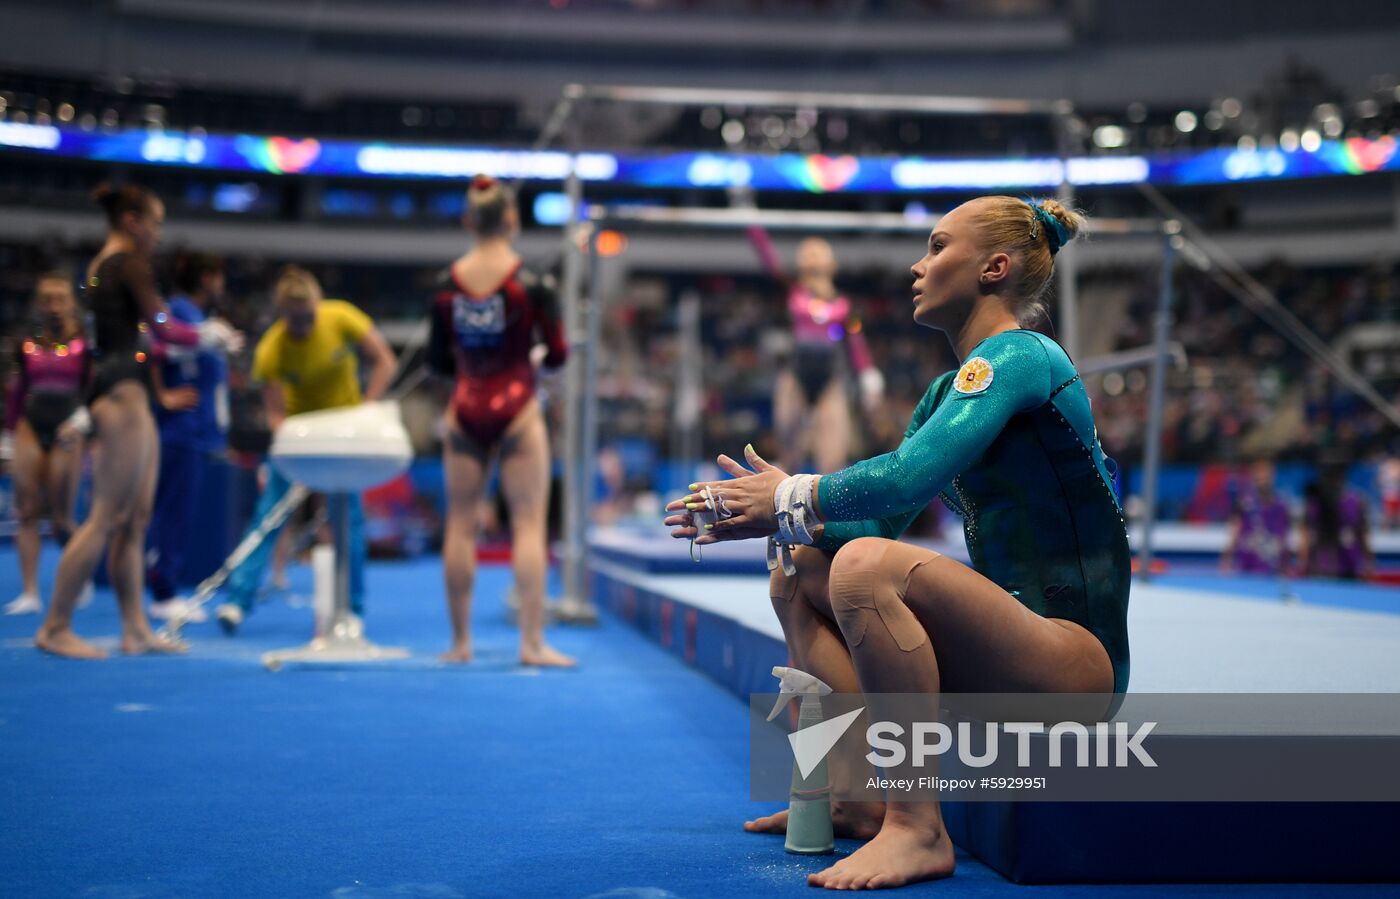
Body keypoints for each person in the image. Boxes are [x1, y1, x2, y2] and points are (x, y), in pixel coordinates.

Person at [667, 196, 1129, 890]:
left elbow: (908, 477)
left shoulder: (1024, 356)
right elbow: (879, 519)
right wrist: (774, 516)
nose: (918, 265)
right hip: (1006, 649)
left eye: (938, 247)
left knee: (861, 570)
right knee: (803, 568)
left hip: (1074, 664)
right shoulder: (947, 391)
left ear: (993, 267)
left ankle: (919, 827)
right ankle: (859, 799)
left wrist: (794, 494)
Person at [35, 183, 243, 659]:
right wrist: (205, 335)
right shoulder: (126, 263)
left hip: (132, 388)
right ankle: (55, 625)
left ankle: (137, 629)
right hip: (123, 393)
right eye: (155, 223)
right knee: (108, 515)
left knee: (136, 519)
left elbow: (143, 334)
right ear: (131, 221)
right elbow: (164, 325)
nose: (157, 234)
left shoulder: (103, 266)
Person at [427, 174, 574, 667]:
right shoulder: (532, 285)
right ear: (511, 220)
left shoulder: (446, 286)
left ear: (468, 221)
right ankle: (531, 645)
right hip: (517, 408)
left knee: (460, 526)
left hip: (465, 406)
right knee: (529, 525)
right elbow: (557, 354)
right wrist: (529, 360)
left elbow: (438, 362)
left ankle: (460, 643)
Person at [214, 266, 396, 634]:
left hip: (345, 434)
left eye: (308, 316)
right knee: (268, 516)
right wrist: (289, 447)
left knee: (349, 521)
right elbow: (275, 413)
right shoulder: (272, 348)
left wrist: (367, 405)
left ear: (317, 304)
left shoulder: (341, 317)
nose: (303, 326)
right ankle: (237, 600)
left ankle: (352, 610)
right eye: (294, 320)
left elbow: (385, 361)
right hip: (300, 438)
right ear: (283, 314)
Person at [746, 226, 884, 474]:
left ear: (832, 264)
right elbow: (769, 260)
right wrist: (751, 221)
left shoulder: (844, 305)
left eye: (817, 252)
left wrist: (868, 375)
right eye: (806, 253)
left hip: (830, 378)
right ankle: (784, 504)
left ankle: (824, 508)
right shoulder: (794, 292)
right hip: (796, 374)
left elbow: (855, 341)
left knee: (832, 459)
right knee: (788, 450)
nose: (811, 257)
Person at [144, 252, 233, 622]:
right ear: (209, 277)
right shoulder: (177, 311)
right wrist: (161, 395)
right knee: (171, 514)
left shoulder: (195, 317)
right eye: (219, 277)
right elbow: (149, 349)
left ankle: (164, 584)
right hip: (179, 430)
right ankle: (163, 590)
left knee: (175, 512)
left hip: (195, 431)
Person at [3, 273, 91, 615]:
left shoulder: (85, 340)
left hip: (68, 425)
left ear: (71, 303)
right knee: (26, 510)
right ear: (38, 303)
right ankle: (29, 592)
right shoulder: (26, 341)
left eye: (60, 299)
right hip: (30, 422)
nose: (53, 306)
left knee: (62, 514)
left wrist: (84, 421)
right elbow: (16, 391)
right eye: (47, 299)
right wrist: (9, 436)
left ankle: (76, 579)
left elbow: (91, 386)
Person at [1299, 463, 1374, 580]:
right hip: (1322, 562)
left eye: (1335, 476)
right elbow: (1306, 531)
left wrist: (1368, 562)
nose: (1332, 481)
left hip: (1349, 562)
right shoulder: (1315, 501)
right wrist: (1304, 560)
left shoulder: (1356, 501)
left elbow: (1362, 532)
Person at [1220, 458, 1292, 576]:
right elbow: (1234, 529)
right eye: (1259, 476)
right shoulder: (1244, 502)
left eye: (1265, 476)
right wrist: (1227, 558)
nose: (1262, 480)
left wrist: (1287, 561)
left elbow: (1285, 535)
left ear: (1272, 476)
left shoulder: (1281, 504)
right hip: (1249, 562)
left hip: (1273, 563)